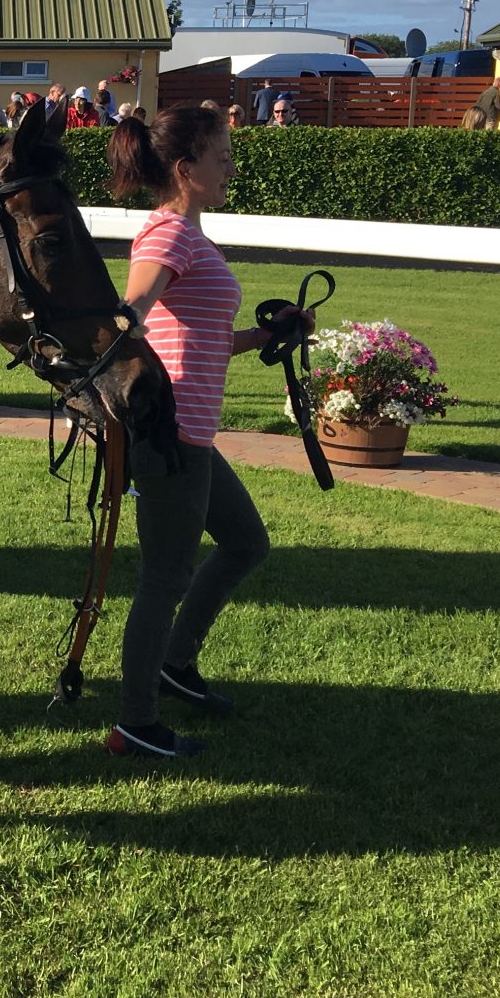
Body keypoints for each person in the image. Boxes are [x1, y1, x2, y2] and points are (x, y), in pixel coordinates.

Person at [107, 104, 304, 758]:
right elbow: (131, 312)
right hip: (170, 439)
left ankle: (175, 664)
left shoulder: (189, 237)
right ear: (187, 170)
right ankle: (136, 723)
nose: (233, 169)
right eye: (223, 158)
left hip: (195, 435)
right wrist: (118, 330)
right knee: (164, 578)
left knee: (246, 543)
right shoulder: (166, 236)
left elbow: (206, 337)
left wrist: (270, 334)